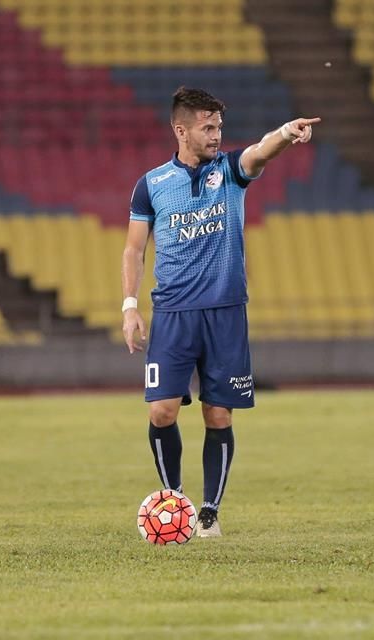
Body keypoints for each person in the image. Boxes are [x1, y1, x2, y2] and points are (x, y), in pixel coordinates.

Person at [121, 86, 320, 537]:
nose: (216, 135)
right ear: (181, 130)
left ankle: (209, 512)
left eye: (219, 127)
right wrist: (130, 306)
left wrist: (285, 133)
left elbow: (259, 152)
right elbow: (134, 250)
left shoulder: (229, 171)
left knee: (218, 415)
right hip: (172, 313)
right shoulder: (151, 185)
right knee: (161, 412)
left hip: (225, 312)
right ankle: (175, 500)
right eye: (207, 128)